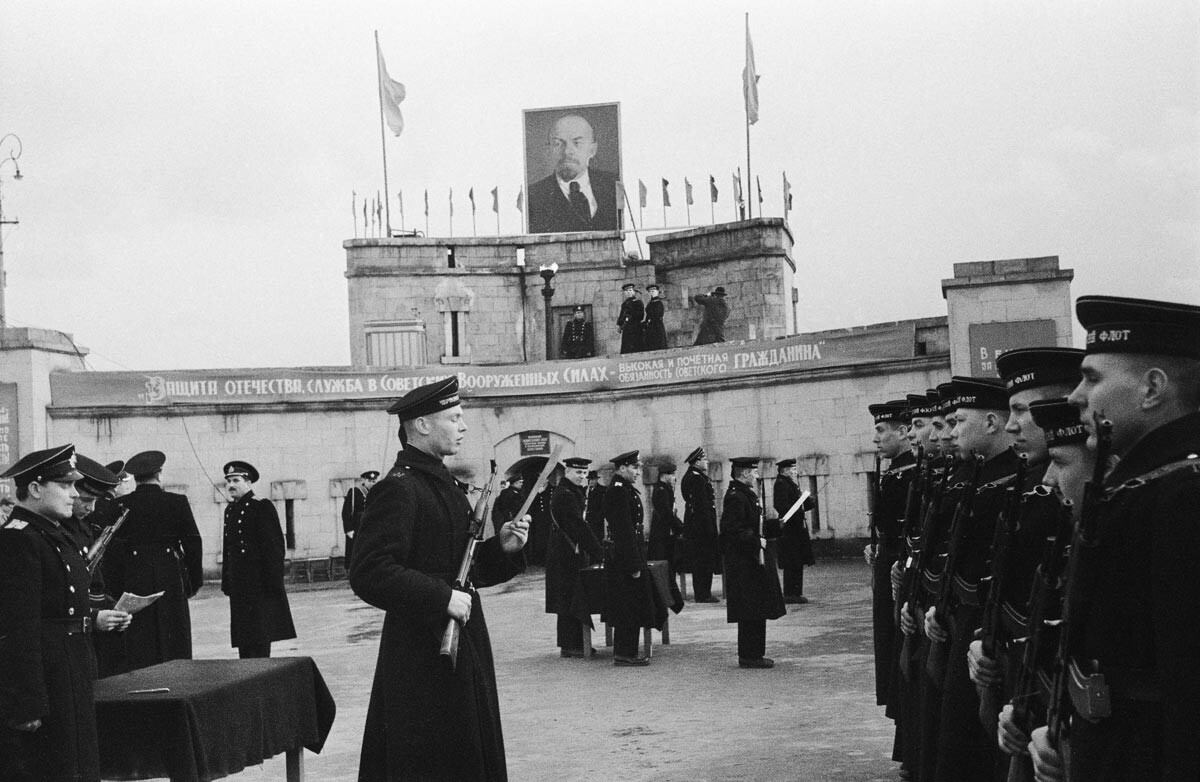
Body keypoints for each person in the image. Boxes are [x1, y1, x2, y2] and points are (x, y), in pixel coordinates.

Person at [1028, 295, 1200, 782]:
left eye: (1094, 378)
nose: (1077, 396)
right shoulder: (1145, 488)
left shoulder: (1181, 496)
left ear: (1152, 389)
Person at [349, 376, 530, 780]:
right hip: (420, 651)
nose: (463, 426)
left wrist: (503, 549)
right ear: (423, 425)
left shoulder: (440, 483)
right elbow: (368, 571)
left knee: (465, 749)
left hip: (459, 640)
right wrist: (439, 597)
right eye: (454, 417)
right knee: (429, 758)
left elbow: (462, 568)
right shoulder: (399, 489)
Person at [0, 444, 100, 782]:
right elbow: (18, 627)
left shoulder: (54, 534)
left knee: (79, 764)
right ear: (35, 488)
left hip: (71, 667)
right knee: (54, 767)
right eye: (66, 485)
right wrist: (26, 700)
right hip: (47, 677)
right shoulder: (18, 540)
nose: (74, 494)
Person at [102, 449, 202, 673]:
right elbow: (193, 544)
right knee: (174, 635)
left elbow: (111, 549)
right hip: (170, 575)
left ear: (136, 478)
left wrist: (115, 587)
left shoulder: (120, 504)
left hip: (133, 577)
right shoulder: (176, 502)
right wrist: (193, 583)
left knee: (139, 640)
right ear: (159, 474)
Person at [67, 455, 134, 677]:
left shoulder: (81, 527)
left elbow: (95, 581)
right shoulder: (62, 531)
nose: (91, 508)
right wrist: (95, 616)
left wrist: (114, 610)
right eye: (86, 500)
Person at [221, 460, 296, 659]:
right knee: (244, 642)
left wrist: (273, 584)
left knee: (260, 640)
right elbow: (228, 549)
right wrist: (227, 581)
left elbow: (274, 548)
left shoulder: (261, 507)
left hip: (259, 586)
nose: (231, 485)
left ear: (248, 482)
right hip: (239, 587)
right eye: (228, 481)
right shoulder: (230, 511)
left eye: (236, 480)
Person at [719, 457, 786, 668]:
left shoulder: (744, 494)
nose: (756, 476)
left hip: (751, 559)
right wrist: (757, 541)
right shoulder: (736, 497)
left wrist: (774, 526)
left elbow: (753, 524)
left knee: (757, 605)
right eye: (753, 472)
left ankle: (754, 653)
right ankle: (749, 655)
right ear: (744, 473)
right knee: (750, 608)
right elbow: (733, 530)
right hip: (744, 561)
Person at [601, 449, 659, 666]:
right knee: (627, 605)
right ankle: (625, 653)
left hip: (630, 554)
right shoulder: (617, 491)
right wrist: (633, 564)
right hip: (624, 559)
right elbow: (623, 531)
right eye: (634, 467)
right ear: (622, 468)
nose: (637, 472)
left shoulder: (624, 489)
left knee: (631, 604)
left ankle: (627, 651)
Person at [546, 456, 603, 658]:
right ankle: (571, 645)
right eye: (578, 472)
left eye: (585, 473)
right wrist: (598, 551)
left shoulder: (570, 491)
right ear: (567, 472)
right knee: (569, 597)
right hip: (566, 554)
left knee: (570, 597)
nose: (582, 476)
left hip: (567, 551)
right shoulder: (566, 495)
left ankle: (574, 643)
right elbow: (579, 527)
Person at [526, 114, 620, 233]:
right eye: (558, 144)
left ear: (592, 150)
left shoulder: (615, 185)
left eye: (577, 143)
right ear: (549, 150)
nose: (567, 151)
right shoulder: (532, 198)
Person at [773, 458, 816, 604]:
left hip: (797, 527)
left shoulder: (790, 484)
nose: (795, 472)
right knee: (792, 560)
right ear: (785, 471)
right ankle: (791, 593)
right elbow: (781, 505)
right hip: (790, 529)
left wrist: (807, 500)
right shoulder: (781, 484)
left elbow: (801, 505)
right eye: (793, 470)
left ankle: (796, 592)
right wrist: (798, 504)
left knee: (797, 560)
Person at [681, 446, 721, 603]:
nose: (707, 462)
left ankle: (704, 591)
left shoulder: (695, 476)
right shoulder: (696, 478)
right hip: (701, 526)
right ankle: (703, 593)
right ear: (697, 461)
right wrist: (709, 528)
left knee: (704, 559)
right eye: (704, 459)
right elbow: (701, 506)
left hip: (699, 524)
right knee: (703, 560)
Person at [647, 463, 682, 566]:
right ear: (664, 475)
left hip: (666, 534)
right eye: (672, 475)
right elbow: (666, 513)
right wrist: (679, 527)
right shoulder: (661, 491)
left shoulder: (665, 489)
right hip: (661, 535)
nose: (674, 478)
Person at [342, 469, 379, 567]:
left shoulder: (378, 493)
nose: (372, 484)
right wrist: (348, 529)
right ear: (365, 481)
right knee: (356, 553)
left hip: (372, 527)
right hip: (357, 528)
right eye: (370, 481)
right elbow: (346, 512)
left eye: (374, 482)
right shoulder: (355, 492)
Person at [493, 473, 525, 537]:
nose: (522, 484)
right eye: (520, 482)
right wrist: (510, 518)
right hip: (507, 520)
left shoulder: (518, 493)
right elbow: (504, 507)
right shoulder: (506, 492)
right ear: (515, 483)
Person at [617, 283, 645, 354]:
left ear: (633, 291)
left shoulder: (638, 302)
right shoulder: (624, 304)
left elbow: (641, 316)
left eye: (630, 290)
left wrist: (631, 316)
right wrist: (620, 325)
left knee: (636, 347)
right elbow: (621, 316)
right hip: (627, 329)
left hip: (636, 328)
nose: (628, 292)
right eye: (626, 291)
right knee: (626, 348)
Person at [643, 284, 668, 351]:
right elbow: (648, 315)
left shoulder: (659, 303)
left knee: (659, 344)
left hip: (657, 326)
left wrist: (650, 320)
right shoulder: (650, 303)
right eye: (650, 291)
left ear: (657, 292)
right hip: (650, 327)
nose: (652, 293)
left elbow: (659, 314)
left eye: (653, 291)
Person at [585, 469, 607, 543]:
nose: (591, 481)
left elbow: (604, 508)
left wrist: (598, 518)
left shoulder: (602, 490)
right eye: (589, 479)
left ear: (597, 480)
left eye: (593, 479)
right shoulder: (585, 490)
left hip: (597, 523)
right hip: (586, 522)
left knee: (597, 542)